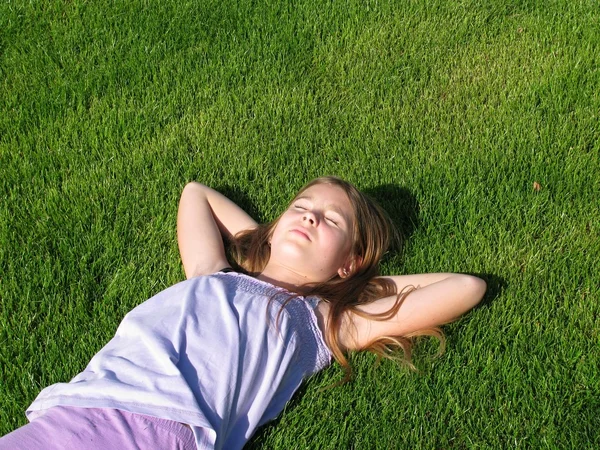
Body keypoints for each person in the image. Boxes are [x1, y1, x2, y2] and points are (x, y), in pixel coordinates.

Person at [0, 176, 486, 450]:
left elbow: (465, 287)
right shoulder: (210, 272)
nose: (311, 215)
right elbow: (196, 194)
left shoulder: (321, 322)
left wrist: (352, 287)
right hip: (72, 414)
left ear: (349, 261)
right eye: (301, 206)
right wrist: (265, 244)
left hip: (166, 434)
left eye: (331, 220)